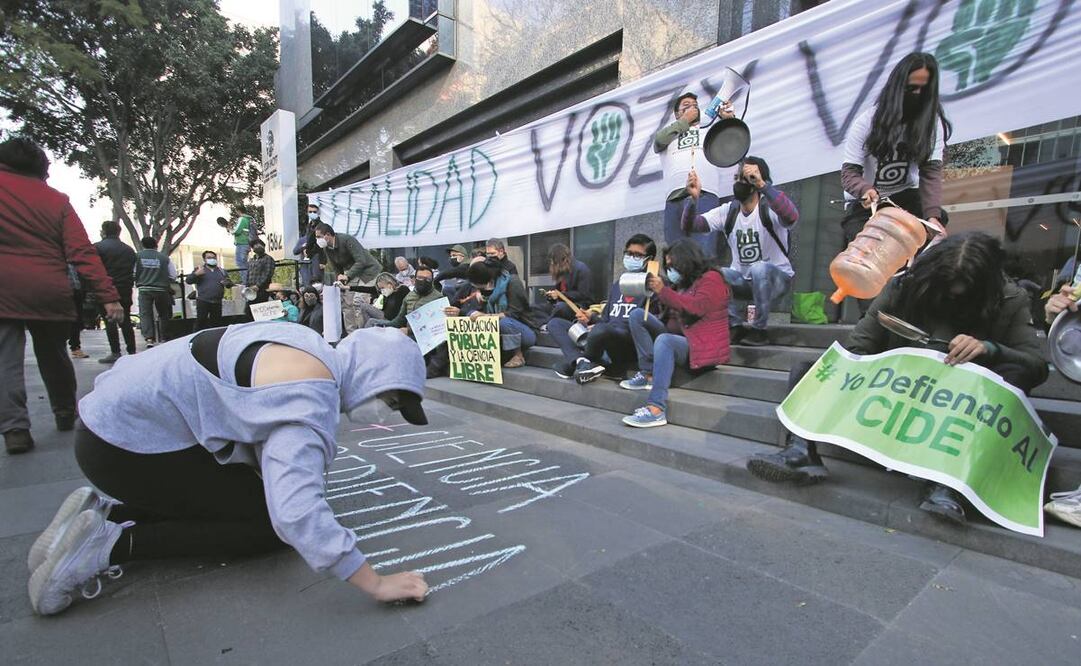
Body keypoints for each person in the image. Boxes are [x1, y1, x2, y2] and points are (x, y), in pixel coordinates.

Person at [26, 325, 430, 617]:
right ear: (373, 376)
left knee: (247, 492)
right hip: (123, 449)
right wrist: (376, 583)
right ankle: (109, 544)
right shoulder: (310, 396)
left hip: (106, 423)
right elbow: (295, 513)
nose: (386, 415)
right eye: (392, 402)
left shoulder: (305, 343)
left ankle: (104, 512)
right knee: (265, 522)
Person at [747, 233, 1048, 525]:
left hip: (958, 404)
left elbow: (1036, 365)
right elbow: (857, 346)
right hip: (897, 390)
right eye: (945, 290)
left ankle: (950, 482)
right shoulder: (903, 286)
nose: (953, 297)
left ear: (984, 288)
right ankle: (800, 450)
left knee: (1015, 373)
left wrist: (989, 349)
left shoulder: (1011, 298)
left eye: (963, 292)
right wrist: (891, 364)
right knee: (812, 368)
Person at [0, 137, 123, 455]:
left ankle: (15, 429)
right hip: (48, 288)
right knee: (54, 353)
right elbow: (81, 251)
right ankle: (65, 410)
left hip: (4, 288)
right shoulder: (56, 200)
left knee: (5, 360)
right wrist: (108, 295)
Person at [841, 52, 951, 313]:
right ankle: (872, 317)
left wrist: (933, 216)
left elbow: (931, 174)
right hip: (867, 204)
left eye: (923, 90)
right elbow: (849, 173)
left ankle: (911, 300)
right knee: (866, 258)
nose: (917, 95)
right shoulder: (867, 122)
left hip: (905, 199)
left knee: (935, 231)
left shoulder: (931, 124)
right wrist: (865, 189)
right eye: (911, 88)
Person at [684, 156, 800, 346]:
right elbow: (690, 226)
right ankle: (735, 326)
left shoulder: (769, 207)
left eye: (745, 178)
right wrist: (692, 200)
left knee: (759, 268)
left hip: (776, 280)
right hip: (744, 282)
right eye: (737, 178)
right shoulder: (729, 211)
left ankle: (759, 330)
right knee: (713, 274)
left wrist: (763, 185)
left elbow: (792, 216)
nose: (739, 183)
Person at [621, 238, 730, 428]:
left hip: (700, 346)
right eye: (668, 266)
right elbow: (670, 310)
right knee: (638, 315)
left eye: (674, 266)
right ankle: (648, 373)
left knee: (665, 341)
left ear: (687, 261)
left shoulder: (712, 279)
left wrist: (663, 291)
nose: (671, 270)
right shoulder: (683, 283)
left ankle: (656, 408)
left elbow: (695, 307)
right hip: (681, 338)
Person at [549, 234, 658, 383]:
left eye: (638, 255)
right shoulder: (618, 284)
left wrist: (600, 328)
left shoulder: (655, 288)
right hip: (604, 337)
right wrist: (590, 318)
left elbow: (650, 327)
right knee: (556, 324)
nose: (631, 258)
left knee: (601, 330)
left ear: (649, 259)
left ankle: (583, 362)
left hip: (627, 343)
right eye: (628, 253)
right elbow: (605, 320)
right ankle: (581, 362)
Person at [654, 92, 731, 247]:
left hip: (705, 194)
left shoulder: (708, 131)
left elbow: (730, 141)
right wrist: (684, 121)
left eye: (695, 106)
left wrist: (727, 120)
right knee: (676, 250)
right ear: (677, 114)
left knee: (704, 248)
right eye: (686, 106)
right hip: (675, 197)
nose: (692, 108)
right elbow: (659, 141)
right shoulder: (669, 135)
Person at [447, 259, 540, 368]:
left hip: (524, 331)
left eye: (480, 287)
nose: (479, 290)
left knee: (504, 322)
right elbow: (479, 312)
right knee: (472, 313)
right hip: (497, 330)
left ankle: (518, 355)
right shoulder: (486, 287)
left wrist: (486, 316)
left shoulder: (512, 282)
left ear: (489, 281)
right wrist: (462, 312)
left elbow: (513, 314)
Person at [313, 223, 381, 334]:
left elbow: (361, 261)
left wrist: (347, 275)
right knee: (347, 304)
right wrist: (339, 282)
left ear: (328, 235)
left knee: (358, 301)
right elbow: (335, 267)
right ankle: (351, 335)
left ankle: (364, 333)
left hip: (368, 272)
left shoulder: (347, 240)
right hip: (351, 274)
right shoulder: (327, 248)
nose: (317, 240)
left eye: (319, 237)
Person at [94, 220, 138, 364]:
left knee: (109, 320)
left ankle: (115, 351)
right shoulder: (129, 250)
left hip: (107, 288)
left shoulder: (98, 247)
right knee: (126, 320)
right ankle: (132, 351)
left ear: (103, 232)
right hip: (125, 288)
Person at [134, 236, 176, 347]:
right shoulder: (164, 258)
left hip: (144, 289)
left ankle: (149, 339)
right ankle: (165, 337)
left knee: (145, 313)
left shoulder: (137, 256)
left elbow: (133, 272)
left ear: (143, 245)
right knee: (163, 313)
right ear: (156, 245)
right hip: (161, 289)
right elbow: (173, 275)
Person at [375, 267, 442, 334]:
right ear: (414, 279)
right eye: (420, 278)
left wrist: (409, 331)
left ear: (432, 281)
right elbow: (399, 320)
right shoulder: (409, 296)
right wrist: (381, 325)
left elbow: (437, 325)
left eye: (428, 279)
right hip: (405, 333)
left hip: (424, 336)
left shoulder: (438, 298)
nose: (423, 281)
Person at [543, 243, 594, 322]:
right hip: (562, 303)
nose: (552, 264)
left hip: (580, 306)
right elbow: (558, 291)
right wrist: (551, 296)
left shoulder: (581, 269)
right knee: (536, 307)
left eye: (554, 261)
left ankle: (546, 323)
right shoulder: (562, 271)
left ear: (563, 259)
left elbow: (583, 294)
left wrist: (560, 295)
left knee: (560, 307)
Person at [186, 250, 233, 331]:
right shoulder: (200, 269)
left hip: (217, 301)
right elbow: (188, 281)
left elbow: (229, 284)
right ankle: (196, 336)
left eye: (214, 258)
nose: (212, 259)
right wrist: (196, 274)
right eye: (209, 258)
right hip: (203, 300)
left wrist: (227, 283)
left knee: (216, 323)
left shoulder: (222, 271)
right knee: (201, 322)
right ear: (204, 259)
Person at [244, 239, 276, 319]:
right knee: (248, 312)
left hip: (262, 290)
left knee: (260, 313)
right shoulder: (251, 260)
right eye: (255, 245)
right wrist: (247, 286)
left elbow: (268, 274)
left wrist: (258, 286)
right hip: (250, 291)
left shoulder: (268, 258)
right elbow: (248, 274)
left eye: (260, 245)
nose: (257, 247)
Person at [294, 204, 320, 287]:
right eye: (310, 212)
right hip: (305, 268)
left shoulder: (322, 229)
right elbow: (295, 251)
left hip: (317, 267)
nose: (312, 213)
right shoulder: (302, 239)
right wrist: (304, 247)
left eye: (314, 212)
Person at [66, 265, 88, 359]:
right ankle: (73, 347)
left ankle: (75, 347)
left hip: (76, 291)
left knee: (76, 320)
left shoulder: (73, 260)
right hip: (63, 291)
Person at [231, 206, 253, 285]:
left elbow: (237, 231)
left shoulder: (242, 219)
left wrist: (231, 230)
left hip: (241, 243)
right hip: (247, 243)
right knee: (244, 263)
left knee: (240, 263)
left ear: (238, 211)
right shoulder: (249, 219)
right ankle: (247, 280)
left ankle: (245, 282)